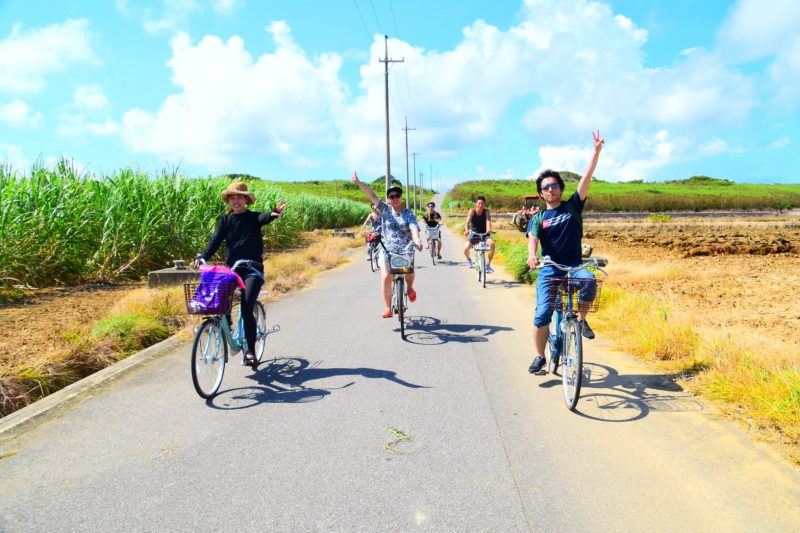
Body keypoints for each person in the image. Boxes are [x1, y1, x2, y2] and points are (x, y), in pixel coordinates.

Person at [527, 130, 604, 375]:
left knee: (591, 281)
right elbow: (533, 239)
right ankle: (540, 357)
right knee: (543, 314)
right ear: (541, 193)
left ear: (560, 188)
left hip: (573, 265)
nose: (550, 190)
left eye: (554, 185)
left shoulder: (572, 206)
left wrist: (595, 152)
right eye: (545, 187)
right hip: (550, 267)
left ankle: (580, 320)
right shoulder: (539, 218)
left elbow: (587, 177)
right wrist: (532, 255)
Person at [194, 182, 288, 366]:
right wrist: (202, 256)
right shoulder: (225, 220)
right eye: (232, 197)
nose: (235, 201)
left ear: (246, 199)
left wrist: (273, 213)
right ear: (228, 200)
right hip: (233, 270)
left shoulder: (253, 218)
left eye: (239, 197)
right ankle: (225, 327)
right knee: (218, 300)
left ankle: (251, 351)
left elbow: (264, 217)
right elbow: (215, 241)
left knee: (246, 307)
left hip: (252, 270)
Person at [351, 172, 423, 318]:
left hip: (405, 248)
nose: (395, 198)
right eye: (391, 196)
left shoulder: (408, 213)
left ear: (401, 197)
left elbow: (414, 227)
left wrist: (417, 240)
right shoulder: (384, 209)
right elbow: (371, 195)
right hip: (387, 249)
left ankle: (409, 288)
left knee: (409, 273)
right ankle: (387, 308)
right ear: (388, 199)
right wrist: (358, 182)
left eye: (397, 195)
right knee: (386, 277)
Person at [463, 196, 495, 273]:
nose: (480, 205)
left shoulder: (486, 211)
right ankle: (469, 259)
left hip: (484, 234)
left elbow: (488, 221)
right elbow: (467, 223)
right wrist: (467, 230)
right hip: (474, 234)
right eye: (479, 203)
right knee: (466, 248)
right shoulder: (472, 211)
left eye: (482, 204)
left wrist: (489, 230)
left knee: (492, 244)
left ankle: (488, 265)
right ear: (476, 204)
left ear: (484, 205)